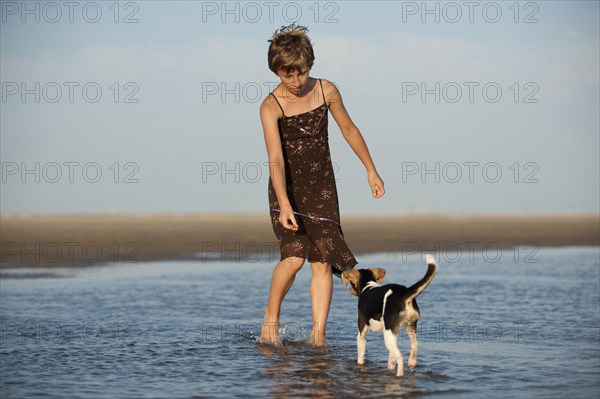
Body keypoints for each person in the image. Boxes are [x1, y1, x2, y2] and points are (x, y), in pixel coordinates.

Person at [259, 24, 385, 346]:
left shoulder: (326, 90)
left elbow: (349, 129)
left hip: (322, 187)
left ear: (309, 66)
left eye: (301, 73)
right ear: (277, 71)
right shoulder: (271, 106)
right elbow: (275, 158)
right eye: (288, 75)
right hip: (286, 189)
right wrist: (284, 204)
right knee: (294, 258)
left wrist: (370, 170)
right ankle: (270, 318)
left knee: (323, 259)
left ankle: (318, 337)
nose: (296, 82)